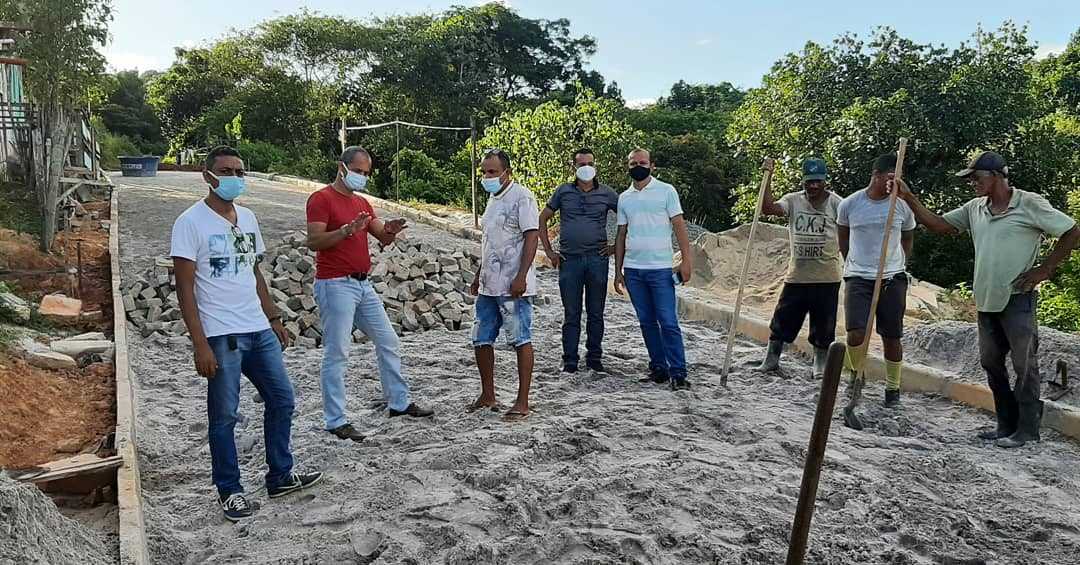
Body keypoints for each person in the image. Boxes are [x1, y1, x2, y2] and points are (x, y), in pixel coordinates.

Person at [171, 145, 322, 522]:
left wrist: (273, 317)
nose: (235, 178)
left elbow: (253, 272)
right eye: (226, 171)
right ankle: (230, 490)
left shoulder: (249, 218)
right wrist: (200, 344)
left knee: (283, 400)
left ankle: (280, 475)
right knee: (224, 417)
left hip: (258, 329)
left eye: (240, 171)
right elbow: (185, 289)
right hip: (222, 336)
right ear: (207, 176)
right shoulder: (190, 223)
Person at [894, 151, 1080, 448]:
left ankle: (1028, 429)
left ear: (996, 177)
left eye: (976, 179)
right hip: (986, 299)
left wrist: (1045, 268)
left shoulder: (1029, 204)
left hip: (1018, 298)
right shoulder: (975, 208)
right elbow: (940, 225)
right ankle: (1005, 424)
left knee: (1024, 365)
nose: (973, 185)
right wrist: (909, 198)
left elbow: (1072, 230)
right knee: (991, 363)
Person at [305, 146, 434, 442]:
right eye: (358, 171)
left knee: (388, 340)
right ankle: (335, 420)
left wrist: (391, 229)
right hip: (335, 283)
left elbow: (381, 235)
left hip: (362, 284)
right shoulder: (321, 199)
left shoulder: (361, 202)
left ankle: (399, 403)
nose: (362, 177)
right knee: (337, 352)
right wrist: (346, 232)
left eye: (366, 173)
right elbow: (314, 241)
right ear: (342, 167)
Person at [837, 152, 916, 418]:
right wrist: (855, 264)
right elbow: (843, 238)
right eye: (890, 177)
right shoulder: (850, 204)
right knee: (855, 333)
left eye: (898, 178)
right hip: (858, 276)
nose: (894, 183)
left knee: (892, 336)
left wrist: (900, 263)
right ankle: (854, 376)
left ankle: (893, 389)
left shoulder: (902, 206)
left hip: (892, 277)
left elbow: (908, 237)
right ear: (876, 175)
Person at [468, 149, 540, 421]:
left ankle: (522, 401)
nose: (487, 177)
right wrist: (478, 274)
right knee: (481, 337)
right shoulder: (491, 199)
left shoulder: (522, 197)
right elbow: (490, 242)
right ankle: (488, 394)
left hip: (513, 284)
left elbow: (531, 237)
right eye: (485, 172)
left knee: (520, 338)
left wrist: (522, 276)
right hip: (489, 284)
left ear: (507, 172)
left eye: (493, 172)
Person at [613, 148, 693, 390]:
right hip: (634, 269)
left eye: (643, 162)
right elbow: (621, 234)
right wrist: (618, 270)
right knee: (646, 321)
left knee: (668, 321)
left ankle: (678, 372)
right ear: (627, 166)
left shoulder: (666, 191)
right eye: (633, 163)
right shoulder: (624, 198)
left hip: (660, 268)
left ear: (652, 166)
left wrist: (686, 260)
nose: (638, 166)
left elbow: (679, 226)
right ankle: (659, 368)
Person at [758, 158, 844, 377]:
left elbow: (849, 231)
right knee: (782, 320)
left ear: (825, 181)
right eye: (809, 182)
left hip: (827, 276)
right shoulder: (793, 200)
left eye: (817, 181)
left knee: (823, 325)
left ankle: (820, 364)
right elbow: (768, 208)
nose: (813, 186)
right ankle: (771, 359)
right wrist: (767, 177)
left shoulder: (837, 204)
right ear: (803, 181)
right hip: (797, 276)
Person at [538, 148, 619, 374]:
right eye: (581, 163)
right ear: (573, 167)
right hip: (569, 260)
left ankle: (594, 358)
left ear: (595, 165)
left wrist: (615, 247)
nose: (586, 167)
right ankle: (570, 360)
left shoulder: (607, 193)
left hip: (597, 259)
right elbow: (542, 218)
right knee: (571, 313)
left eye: (589, 163)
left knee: (596, 312)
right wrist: (549, 252)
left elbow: (628, 217)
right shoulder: (563, 192)